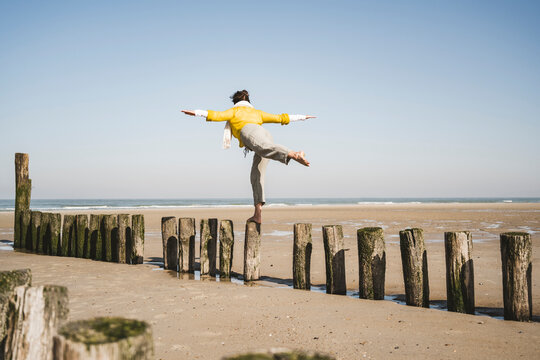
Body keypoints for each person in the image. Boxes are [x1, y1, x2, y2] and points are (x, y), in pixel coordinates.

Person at [182, 90, 315, 223]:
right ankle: (257, 215)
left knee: (263, 148)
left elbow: (216, 115)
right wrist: (302, 116)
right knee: (256, 175)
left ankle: (293, 154)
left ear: (235, 102)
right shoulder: (257, 113)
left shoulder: (234, 111)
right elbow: (281, 118)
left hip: (250, 132)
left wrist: (196, 112)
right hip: (265, 134)